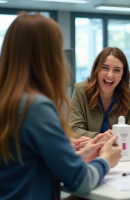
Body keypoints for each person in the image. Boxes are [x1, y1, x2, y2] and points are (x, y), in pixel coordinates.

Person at [0, 13, 122, 200]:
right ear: (47, 57)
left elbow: (29, 166)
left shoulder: (9, 100)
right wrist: (106, 160)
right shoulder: (35, 107)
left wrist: (83, 155)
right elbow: (81, 181)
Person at [70, 47, 130, 149]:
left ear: (123, 74)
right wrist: (99, 138)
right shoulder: (80, 90)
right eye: (105, 68)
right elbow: (74, 130)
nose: (110, 75)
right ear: (96, 69)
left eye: (117, 70)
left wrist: (117, 139)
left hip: (123, 156)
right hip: (91, 155)